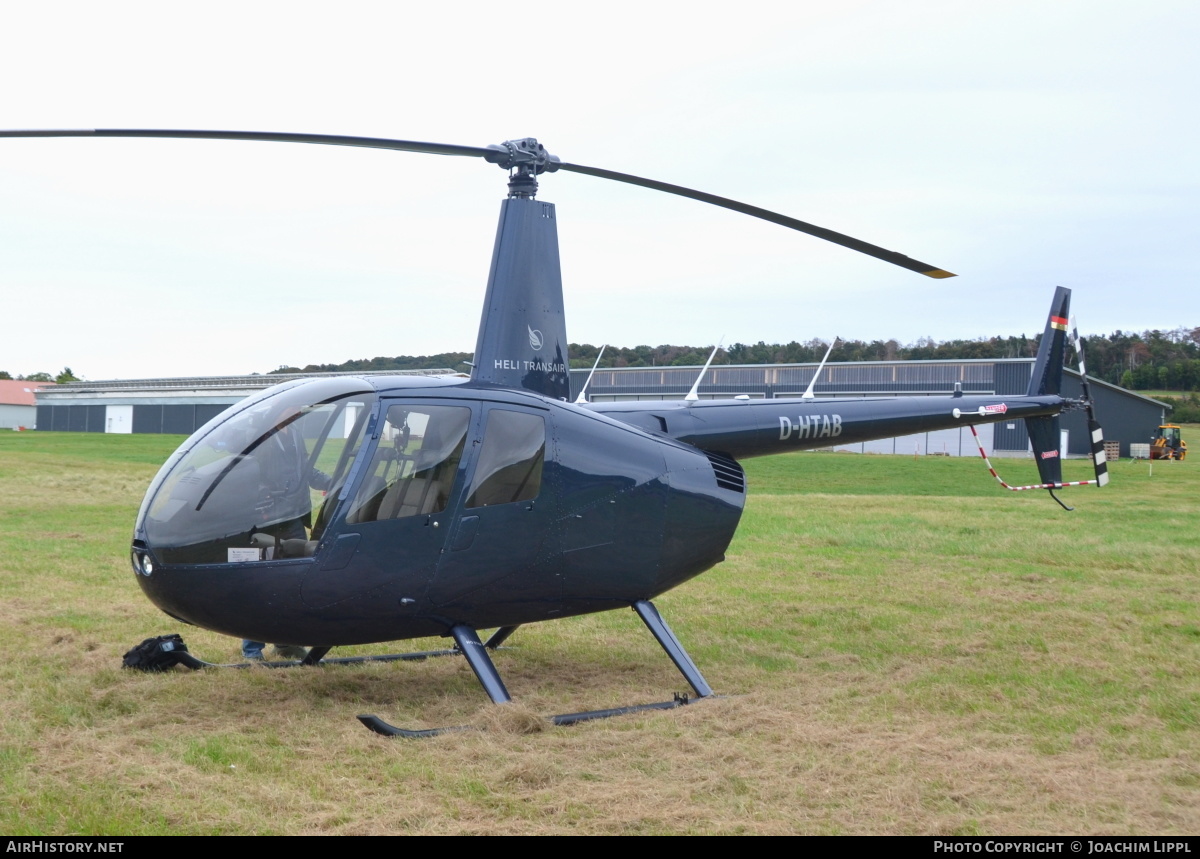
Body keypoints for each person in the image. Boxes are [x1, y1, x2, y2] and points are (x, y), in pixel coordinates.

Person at [242, 405, 331, 662]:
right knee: (261, 582)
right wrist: (261, 496)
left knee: (294, 582)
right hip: (266, 521)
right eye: (292, 408)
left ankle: (286, 643)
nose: (298, 412)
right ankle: (252, 650)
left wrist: (333, 481)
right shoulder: (260, 437)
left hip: (293, 518)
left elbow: (306, 471)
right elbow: (245, 474)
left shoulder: (294, 435)